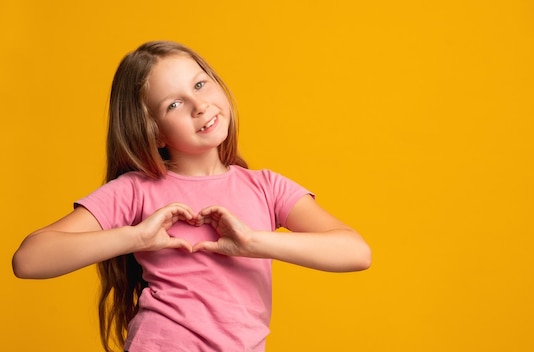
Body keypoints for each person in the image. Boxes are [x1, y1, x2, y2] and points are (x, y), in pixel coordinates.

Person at [12, 40, 371, 352]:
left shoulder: (266, 187)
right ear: (154, 134)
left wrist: (252, 242)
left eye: (200, 85)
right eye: (174, 104)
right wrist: (137, 237)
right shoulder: (137, 189)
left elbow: (356, 252)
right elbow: (29, 260)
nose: (199, 105)